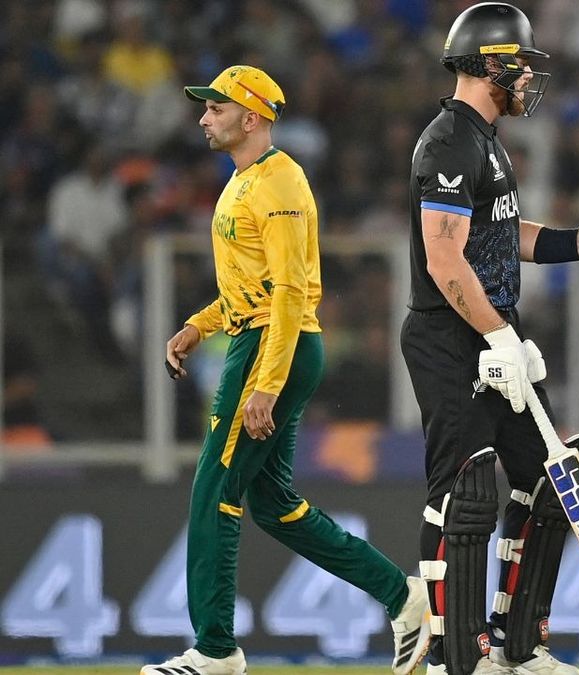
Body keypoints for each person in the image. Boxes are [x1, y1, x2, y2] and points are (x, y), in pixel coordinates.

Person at [144, 65, 430, 675]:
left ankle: (215, 650)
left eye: (216, 108)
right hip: (268, 340)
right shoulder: (246, 181)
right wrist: (199, 324)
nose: (203, 118)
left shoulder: (279, 184)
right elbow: (250, 288)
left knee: (214, 490)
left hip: (273, 346)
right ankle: (404, 598)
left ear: (251, 117)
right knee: (274, 504)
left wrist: (267, 384)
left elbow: (290, 293)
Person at [403, 4, 579, 675]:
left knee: (548, 483)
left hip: (491, 334)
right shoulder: (449, 143)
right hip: (450, 338)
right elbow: (444, 260)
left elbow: (504, 236)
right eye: (520, 65)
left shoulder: (484, 139)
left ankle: (518, 645)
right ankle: (452, 653)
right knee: (462, 493)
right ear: (491, 64)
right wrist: (497, 335)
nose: (528, 79)